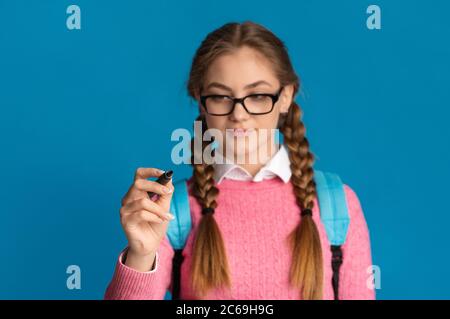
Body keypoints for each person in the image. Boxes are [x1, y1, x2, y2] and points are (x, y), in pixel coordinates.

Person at [104, 21, 375, 300]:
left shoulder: (338, 205)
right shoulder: (170, 209)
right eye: (221, 96)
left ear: (286, 96)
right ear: (200, 99)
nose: (239, 114)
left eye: (257, 96)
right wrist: (141, 253)